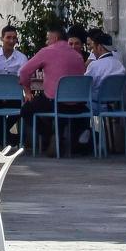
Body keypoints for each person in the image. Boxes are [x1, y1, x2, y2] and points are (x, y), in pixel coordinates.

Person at [18, 23, 89, 156]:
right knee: (50, 105)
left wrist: (27, 91)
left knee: (26, 109)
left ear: (55, 38)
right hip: (77, 104)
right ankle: (58, 137)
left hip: (55, 102)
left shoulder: (47, 52)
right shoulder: (77, 55)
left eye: (47, 38)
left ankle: (48, 135)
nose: (46, 42)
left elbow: (23, 72)